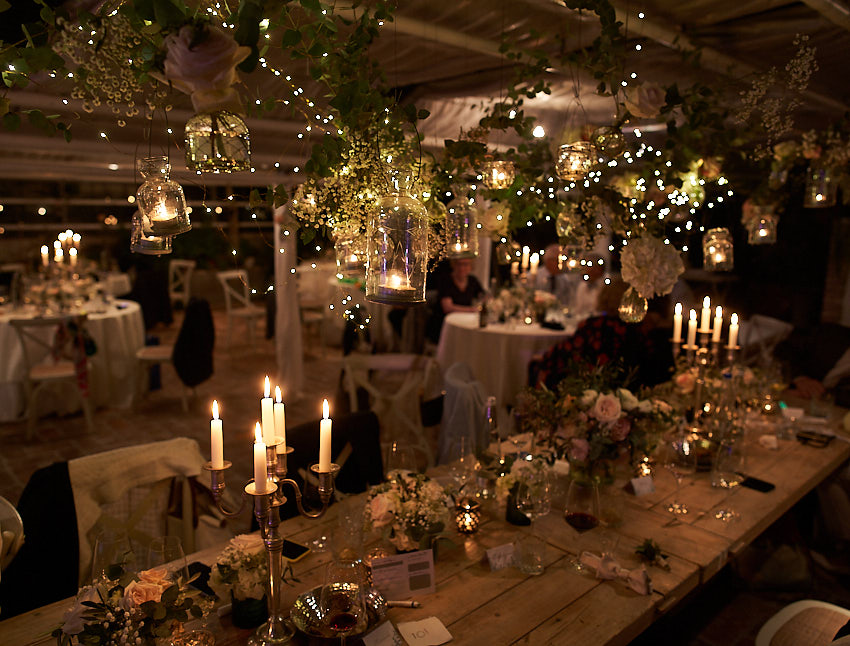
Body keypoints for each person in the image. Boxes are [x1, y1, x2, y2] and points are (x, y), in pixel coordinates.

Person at [426, 258, 484, 342]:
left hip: (464, 321)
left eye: (466, 265)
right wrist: (472, 310)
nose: (462, 268)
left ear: (471, 267)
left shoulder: (472, 281)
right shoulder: (445, 280)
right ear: (453, 265)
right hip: (443, 324)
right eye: (459, 264)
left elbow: (483, 296)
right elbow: (448, 308)